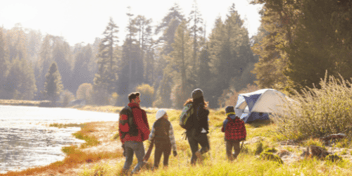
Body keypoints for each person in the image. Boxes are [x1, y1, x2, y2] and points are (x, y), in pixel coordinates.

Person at [120, 92, 150, 174]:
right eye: (138, 99)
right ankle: (132, 174)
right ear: (133, 100)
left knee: (128, 161)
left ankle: (123, 174)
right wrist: (150, 135)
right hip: (136, 140)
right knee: (142, 161)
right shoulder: (136, 110)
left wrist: (123, 141)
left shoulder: (124, 110)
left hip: (126, 141)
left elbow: (120, 128)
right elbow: (141, 125)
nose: (139, 101)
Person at [184, 88, 210, 164]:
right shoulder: (201, 106)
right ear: (202, 97)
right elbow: (201, 120)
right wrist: (206, 112)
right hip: (198, 131)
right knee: (206, 148)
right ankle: (198, 153)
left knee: (194, 154)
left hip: (189, 133)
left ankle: (192, 170)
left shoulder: (189, 105)